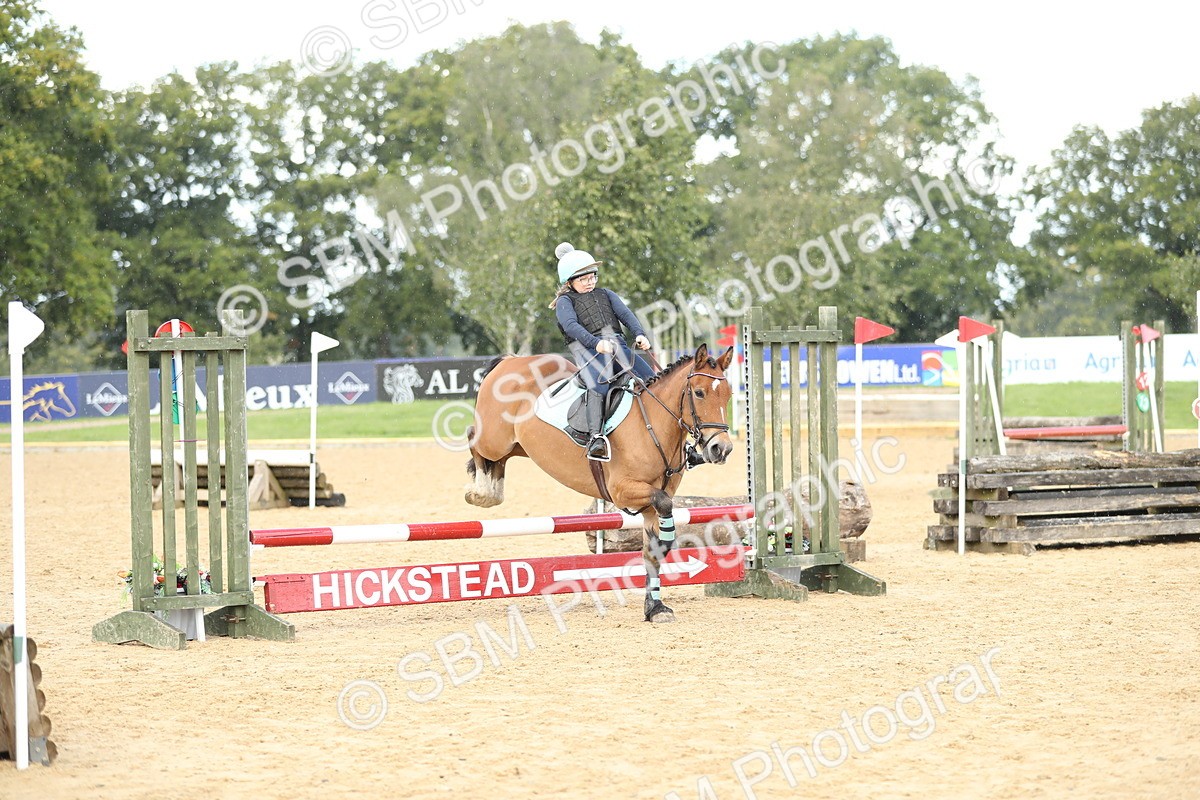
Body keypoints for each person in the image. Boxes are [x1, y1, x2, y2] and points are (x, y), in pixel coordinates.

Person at [549, 241, 655, 461]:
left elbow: (626, 315)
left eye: (593, 277)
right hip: (589, 352)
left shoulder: (606, 294)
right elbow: (571, 326)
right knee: (600, 384)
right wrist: (595, 343)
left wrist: (640, 334)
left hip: (619, 348)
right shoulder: (564, 302)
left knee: (654, 381)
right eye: (584, 279)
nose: (590, 282)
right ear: (569, 282)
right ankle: (596, 438)